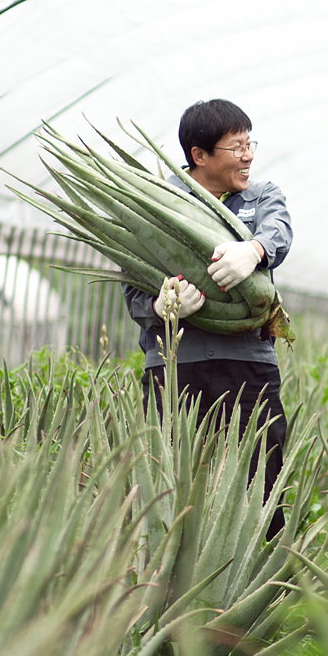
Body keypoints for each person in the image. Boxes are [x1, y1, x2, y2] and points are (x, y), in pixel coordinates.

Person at [124, 99, 293, 525]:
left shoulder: (261, 196)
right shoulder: (156, 204)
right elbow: (131, 290)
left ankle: (266, 579)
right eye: (236, 147)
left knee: (262, 474)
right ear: (199, 155)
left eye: (249, 143)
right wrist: (158, 307)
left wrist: (254, 249)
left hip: (249, 363)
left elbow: (279, 231)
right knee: (173, 483)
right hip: (176, 366)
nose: (248, 155)